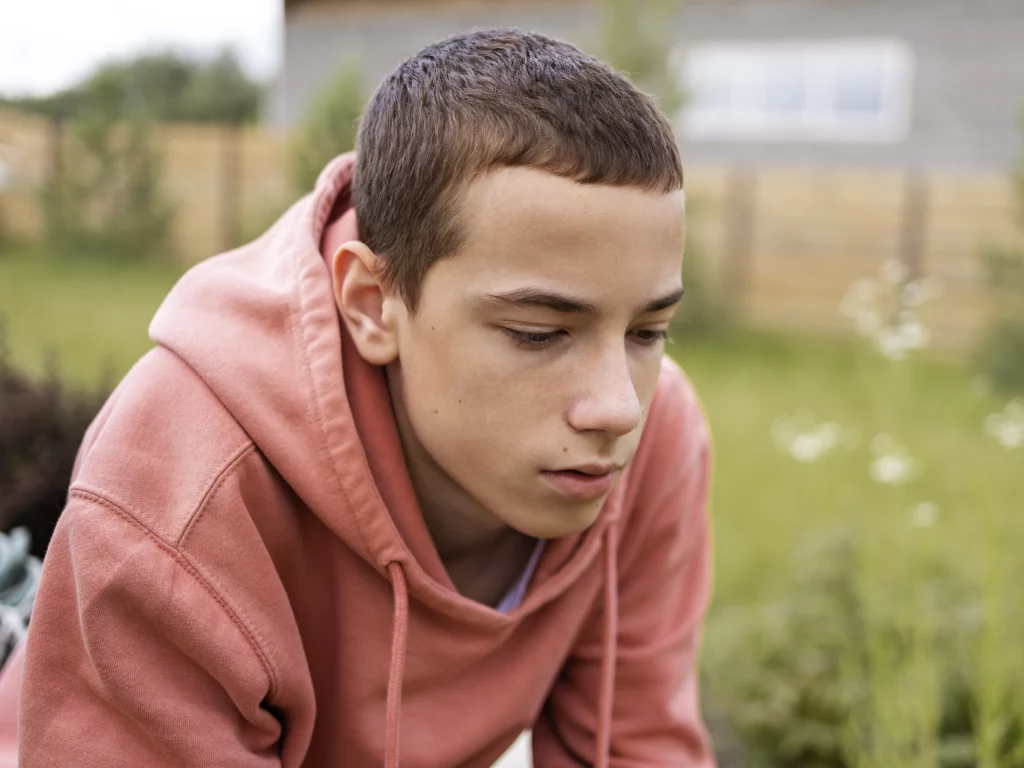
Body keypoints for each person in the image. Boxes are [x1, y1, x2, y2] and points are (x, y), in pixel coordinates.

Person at [0, 29, 716, 768]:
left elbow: (641, 748)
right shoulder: (182, 491)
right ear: (372, 304)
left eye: (648, 330)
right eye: (538, 333)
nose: (618, 409)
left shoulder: (656, 435)